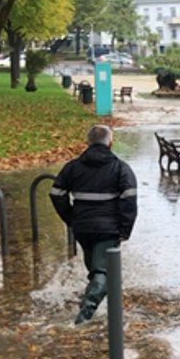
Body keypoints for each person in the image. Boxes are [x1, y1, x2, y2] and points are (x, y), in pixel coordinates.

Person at [49, 124, 137, 325]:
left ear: (88, 142)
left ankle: (91, 306)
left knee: (95, 269)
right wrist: (125, 229)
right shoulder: (121, 168)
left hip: (82, 227)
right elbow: (129, 201)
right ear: (110, 142)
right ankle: (83, 317)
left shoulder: (72, 166)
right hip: (108, 229)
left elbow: (56, 193)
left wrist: (70, 218)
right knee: (102, 272)